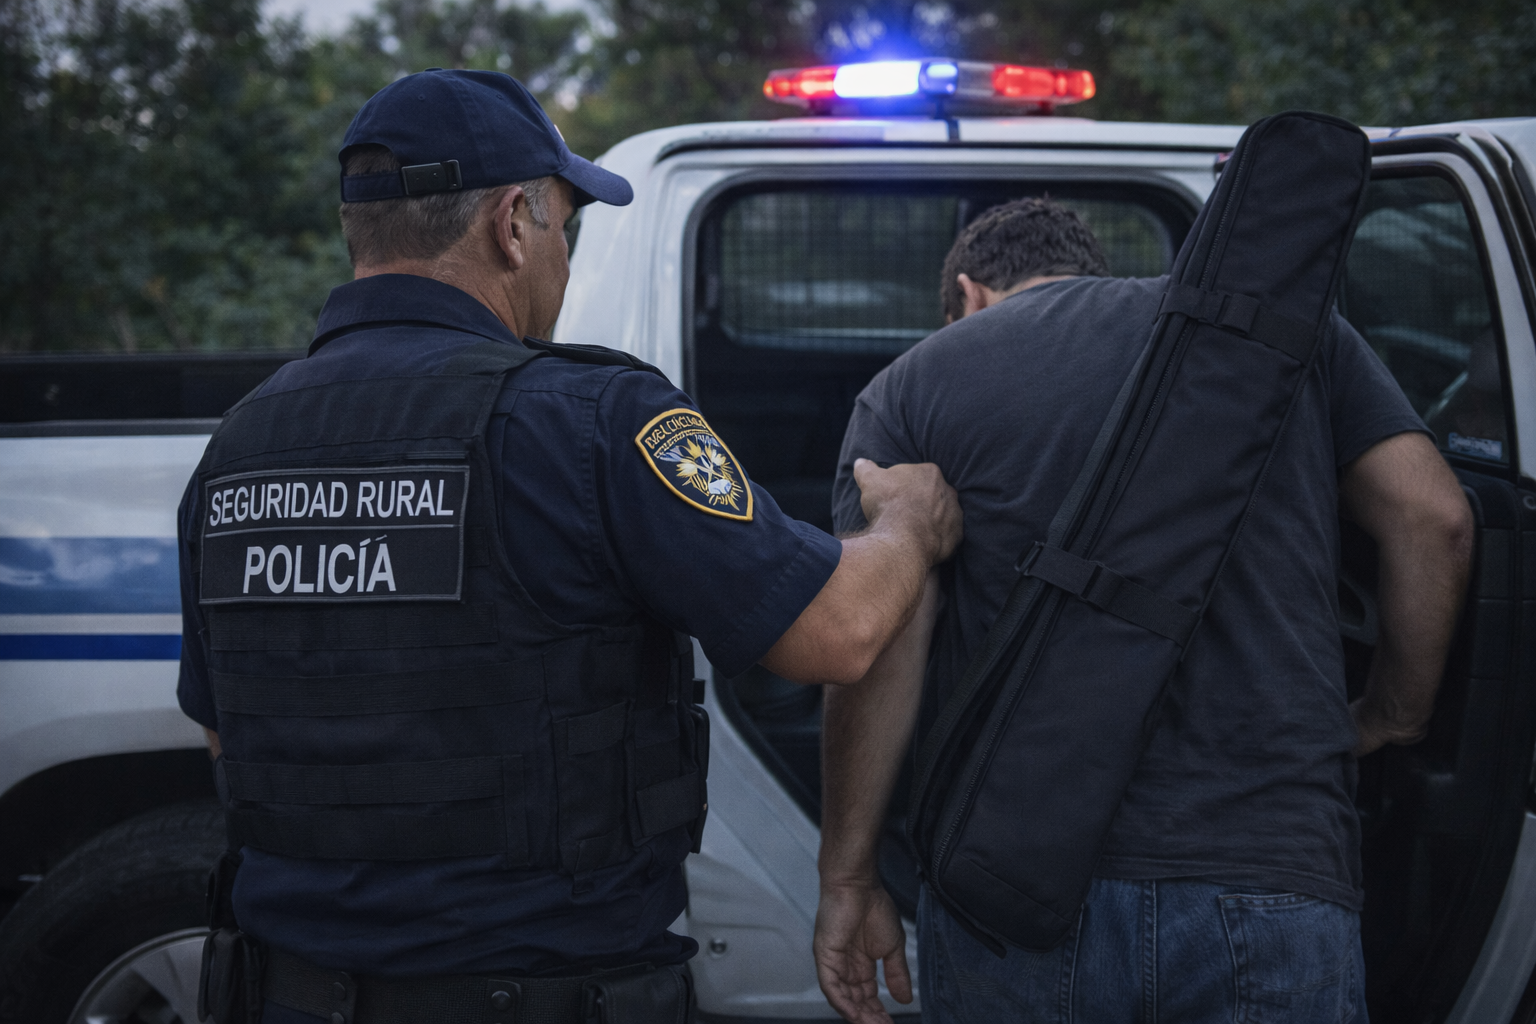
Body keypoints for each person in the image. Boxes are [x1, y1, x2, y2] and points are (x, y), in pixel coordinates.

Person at [174, 69, 961, 1024]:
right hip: (537, 992)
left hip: (285, 994)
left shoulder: (238, 449)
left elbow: (229, 736)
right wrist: (907, 525)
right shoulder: (593, 421)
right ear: (513, 224)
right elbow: (836, 630)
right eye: (564, 227)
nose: (564, 260)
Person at [813, 198, 1474, 1023]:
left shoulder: (909, 387)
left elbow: (882, 642)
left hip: (1008, 887)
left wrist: (848, 875)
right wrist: (1391, 714)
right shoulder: (1281, 338)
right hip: (1271, 872)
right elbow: (1435, 519)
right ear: (1093, 269)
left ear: (971, 294)